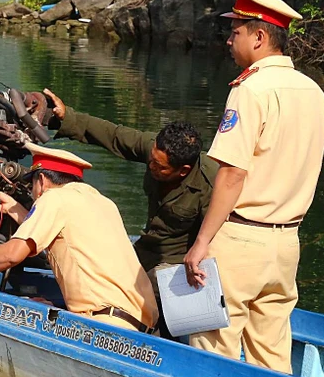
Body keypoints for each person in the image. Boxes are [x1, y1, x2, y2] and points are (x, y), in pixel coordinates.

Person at [182, 0, 324, 374]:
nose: (229, 40)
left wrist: (201, 242)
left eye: (235, 31)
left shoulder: (250, 90)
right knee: (273, 356)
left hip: (242, 239)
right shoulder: (313, 92)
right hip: (287, 243)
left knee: (215, 351)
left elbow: (232, 175)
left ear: (260, 37)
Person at [0, 143, 159, 333]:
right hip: (142, 324)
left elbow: (11, 255)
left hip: (109, 330)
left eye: (31, 185)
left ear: (41, 181)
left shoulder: (54, 199)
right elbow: (63, 237)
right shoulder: (102, 203)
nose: (32, 192)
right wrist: (15, 209)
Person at [44, 89, 217, 274]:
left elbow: (219, 238)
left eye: (160, 167)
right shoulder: (156, 148)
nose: (151, 167)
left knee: (147, 288)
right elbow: (113, 135)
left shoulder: (211, 183)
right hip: (148, 248)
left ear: (183, 171)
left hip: (179, 260)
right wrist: (66, 116)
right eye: (151, 160)